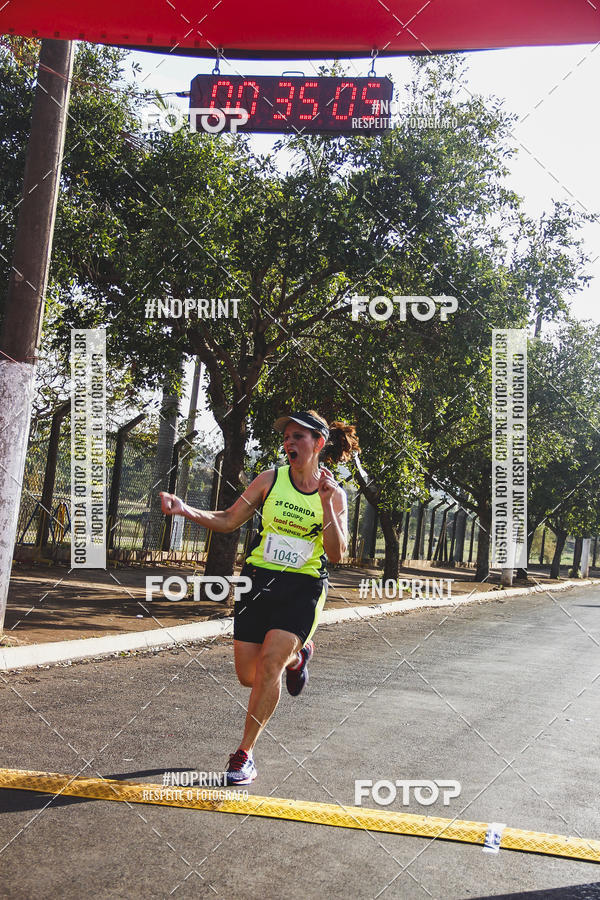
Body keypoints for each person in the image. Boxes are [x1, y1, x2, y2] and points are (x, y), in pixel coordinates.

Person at [159, 410, 359, 785]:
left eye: (298, 436)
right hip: (259, 581)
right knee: (249, 676)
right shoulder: (270, 480)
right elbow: (229, 519)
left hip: (303, 589)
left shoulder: (335, 494)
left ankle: (244, 754)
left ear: (318, 443)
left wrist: (330, 504)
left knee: (270, 666)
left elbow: (336, 554)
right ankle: (298, 658)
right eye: (286, 436)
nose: (289, 442)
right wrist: (185, 509)